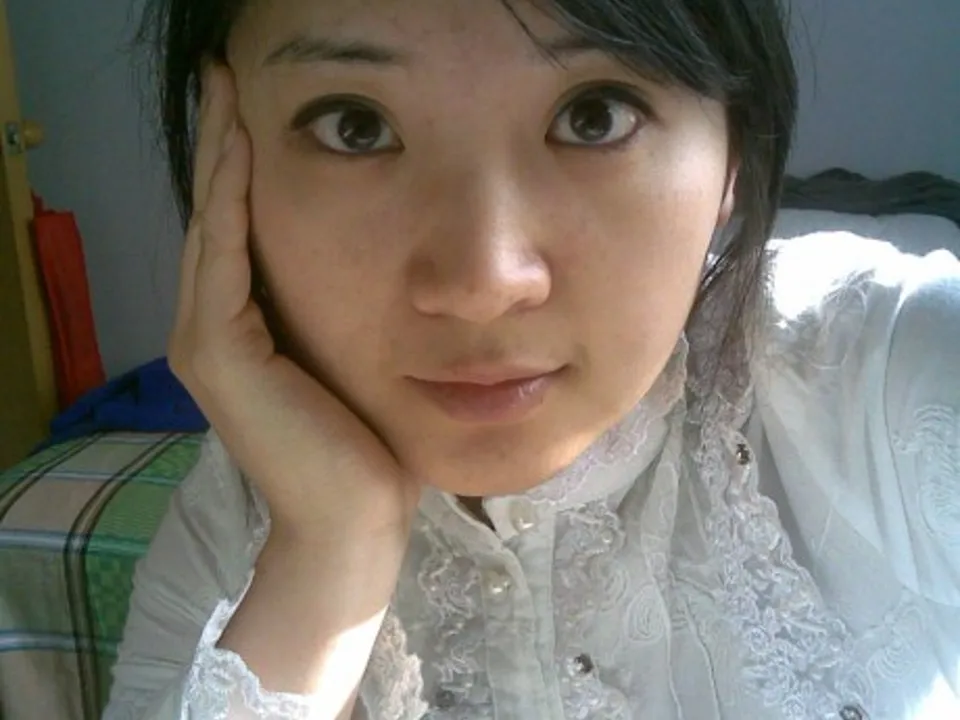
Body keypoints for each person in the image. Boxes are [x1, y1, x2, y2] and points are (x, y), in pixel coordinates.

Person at [104, 0, 960, 718]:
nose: (481, 283)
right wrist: (327, 552)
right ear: (228, 156)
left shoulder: (887, 371)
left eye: (596, 116)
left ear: (733, 149)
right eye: (355, 127)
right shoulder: (236, 527)